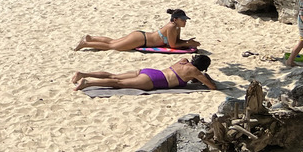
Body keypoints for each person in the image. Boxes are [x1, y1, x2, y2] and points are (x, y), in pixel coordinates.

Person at [72, 54, 218, 92]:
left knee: (113, 75)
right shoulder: (194, 71)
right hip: (154, 81)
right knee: (118, 84)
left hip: (151, 71)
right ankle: (88, 83)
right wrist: (205, 77)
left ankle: (83, 73)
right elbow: (212, 87)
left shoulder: (183, 60)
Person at [74, 9, 199, 52]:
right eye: (183, 20)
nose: (185, 21)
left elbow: (175, 41)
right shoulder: (172, 27)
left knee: (113, 41)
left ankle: (91, 38)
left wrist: (187, 41)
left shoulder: (175, 27)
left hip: (140, 36)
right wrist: (187, 44)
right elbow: (173, 45)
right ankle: (86, 44)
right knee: (112, 46)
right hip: (141, 40)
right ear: (175, 19)